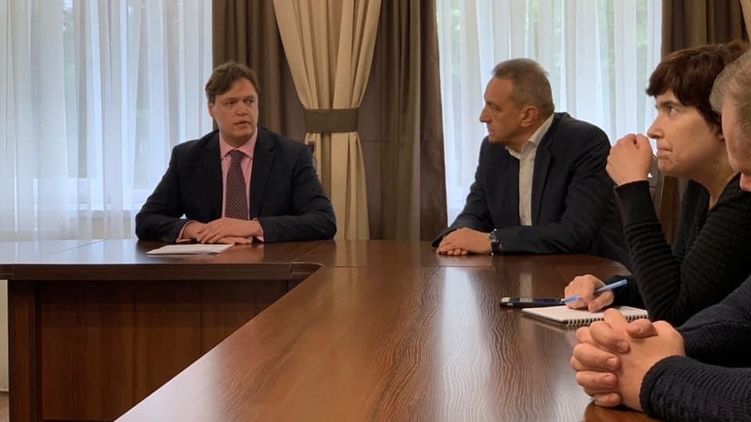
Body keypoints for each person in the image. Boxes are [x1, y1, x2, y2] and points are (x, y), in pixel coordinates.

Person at [570, 48, 751, 422]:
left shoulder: (742, 199)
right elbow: (738, 311)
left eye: (672, 109)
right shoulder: (703, 189)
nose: (653, 129)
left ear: (720, 122)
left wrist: (651, 372)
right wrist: (653, 342)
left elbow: (673, 306)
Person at [433, 59, 628, 265]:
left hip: (588, 272)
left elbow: (576, 231)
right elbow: (476, 212)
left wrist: (493, 240)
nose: (483, 117)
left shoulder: (584, 143)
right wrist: (456, 236)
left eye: (494, 108)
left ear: (527, 116)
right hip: (521, 270)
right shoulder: (493, 150)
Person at [136, 62, 336, 244]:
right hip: (207, 264)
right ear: (211, 109)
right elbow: (147, 219)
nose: (242, 110)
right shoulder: (188, 158)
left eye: (249, 101)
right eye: (230, 103)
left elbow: (323, 221)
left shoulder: (292, 156)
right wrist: (197, 230)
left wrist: (252, 227)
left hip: (270, 263)